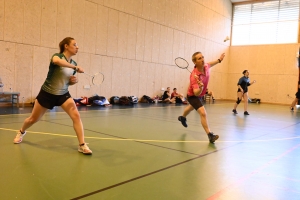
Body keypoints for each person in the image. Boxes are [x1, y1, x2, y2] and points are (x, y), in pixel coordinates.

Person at [13, 37, 92, 155]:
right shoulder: (57, 57)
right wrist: (75, 68)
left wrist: (73, 81)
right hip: (47, 93)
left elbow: (68, 82)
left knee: (76, 115)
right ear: (66, 46)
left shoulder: (74, 64)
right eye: (75, 44)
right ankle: (21, 131)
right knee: (33, 119)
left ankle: (82, 145)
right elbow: (57, 62)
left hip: (63, 94)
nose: (77, 47)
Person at [178, 52, 225, 143]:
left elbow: (210, 63)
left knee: (191, 107)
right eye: (199, 58)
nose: (202, 59)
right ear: (194, 62)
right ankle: (210, 135)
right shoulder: (194, 76)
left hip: (200, 95)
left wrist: (219, 60)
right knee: (203, 113)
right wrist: (201, 87)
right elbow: (195, 93)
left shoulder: (206, 66)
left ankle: (182, 117)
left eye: (202, 57)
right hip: (193, 96)